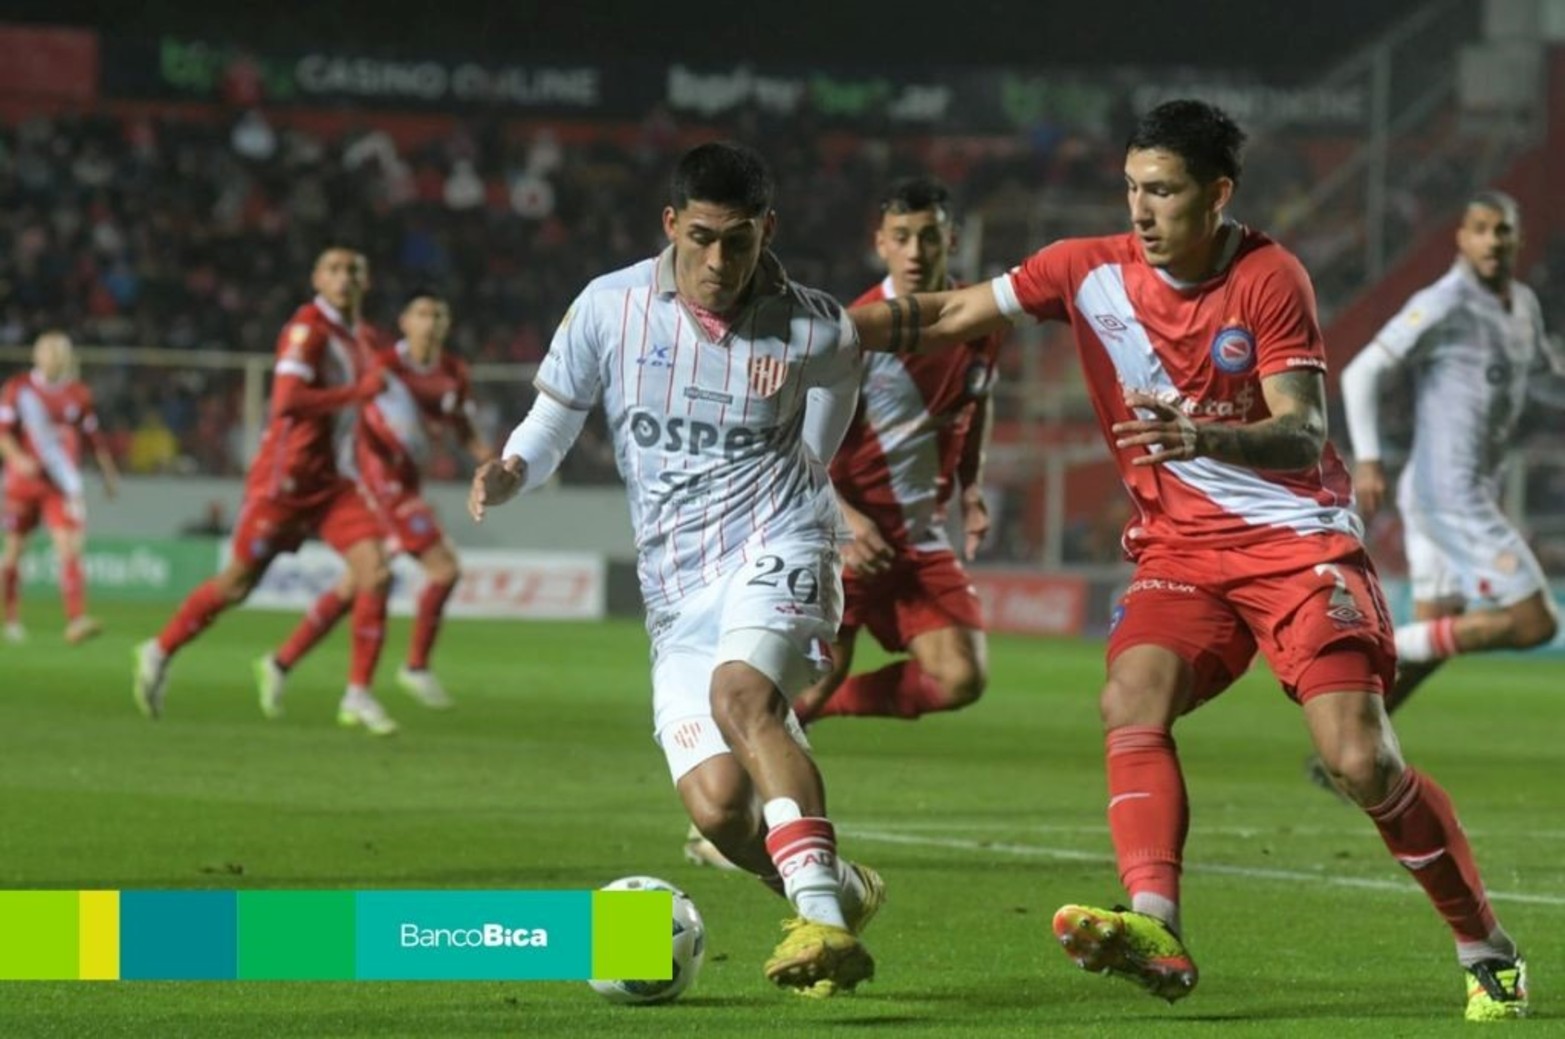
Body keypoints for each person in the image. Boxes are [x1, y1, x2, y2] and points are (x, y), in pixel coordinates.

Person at [848, 100, 1528, 1021]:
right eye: (1131, 188)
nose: (1139, 210)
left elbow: (1302, 431)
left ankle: (1485, 948)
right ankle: (1155, 925)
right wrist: (814, 328)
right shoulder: (1081, 270)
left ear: (1216, 195)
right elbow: (945, 314)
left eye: (1161, 191)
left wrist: (1204, 433)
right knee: (1130, 697)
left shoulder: (1268, 275)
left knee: (1359, 759)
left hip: (1297, 546)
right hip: (1181, 553)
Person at [469, 142, 883, 998]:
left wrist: (811, 469)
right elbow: (557, 413)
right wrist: (512, 469)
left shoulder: (814, 323)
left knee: (744, 697)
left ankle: (825, 924)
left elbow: (839, 385)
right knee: (718, 810)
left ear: (768, 231)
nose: (719, 262)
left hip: (780, 537)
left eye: (739, 241)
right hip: (676, 585)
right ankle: (834, 888)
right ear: (671, 225)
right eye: (701, 238)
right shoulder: (608, 307)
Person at [132, 248, 399, 736]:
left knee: (375, 573)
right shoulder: (307, 330)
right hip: (285, 480)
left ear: (367, 281)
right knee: (236, 586)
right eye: (334, 270)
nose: (344, 278)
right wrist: (356, 394)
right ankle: (159, 648)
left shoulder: (360, 338)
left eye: (353, 271)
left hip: (334, 483)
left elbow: (360, 412)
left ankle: (357, 693)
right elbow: (289, 401)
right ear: (317, 278)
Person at [1332, 191, 1560, 727]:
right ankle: (1377, 642)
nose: (1492, 241)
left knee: (1437, 641)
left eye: (1501, 230)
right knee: (1535, 622)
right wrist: (1367, 461)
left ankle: (1352, 751)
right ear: (1460, 237)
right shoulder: (1444, 302)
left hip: (1458, 490)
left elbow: (1546, 378)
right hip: (1448, 494)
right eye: (1479, 229)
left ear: (1516, 237)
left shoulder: (1522, 304)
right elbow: (1360, 372)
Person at [790, 175, 1001, 727]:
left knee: (961, 677)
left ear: (951, 241)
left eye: (928, 236)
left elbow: (976, 400)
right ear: (880, 242)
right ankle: (731, 802)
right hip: (845, 538)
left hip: (918, 540)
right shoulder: (855, 332)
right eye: (901, 236)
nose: (915, 251)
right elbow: (793, 445)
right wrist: (846, 523)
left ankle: (823, 709)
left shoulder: (980, 318)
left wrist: (972, 486)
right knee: (802, 687)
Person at [255, 288, 493, 715]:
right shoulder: (383, 364)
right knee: (444, 568)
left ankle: (279, 662)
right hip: (376, 484)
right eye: (421, 312)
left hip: (408, 484)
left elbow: (463, 428)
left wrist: (491, 463)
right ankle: (413, 668)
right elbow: (350, 409)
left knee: (356, 583)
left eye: (438, 314)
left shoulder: (453, 372)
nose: (431, 321)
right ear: (404, 322)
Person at [0, 331, 120, 644]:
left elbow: (93, 437)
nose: (54, 357)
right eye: (48, 351)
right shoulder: (19, 389)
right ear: (36, 356)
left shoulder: (78, 394)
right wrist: (19, 459)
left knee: (69, 548)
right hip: (23, 483)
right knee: (13, 552)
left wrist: (108, 474)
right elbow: (3, 434)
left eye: (60, 351)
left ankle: (76, 620)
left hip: (60, 484)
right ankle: (9, 619)